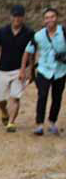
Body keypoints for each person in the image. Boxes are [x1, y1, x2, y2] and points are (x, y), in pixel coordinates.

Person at [23, 7, 66, 136]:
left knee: (57, 98)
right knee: (42, 96)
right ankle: (39, 124)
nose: (50, 20)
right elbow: (29, 51)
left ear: (57, 18)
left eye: (52, 17)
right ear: (44, 20)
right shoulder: (38, 35)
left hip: (60, 71)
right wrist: (28, 69)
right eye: (47, 18)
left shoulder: (64, 32)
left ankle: (52, 122)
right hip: (43, 70)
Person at [0, 5, 33, 132]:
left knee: (15, 97)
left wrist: (30, 70)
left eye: (19, 16)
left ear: (23, 17)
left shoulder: (29, 33)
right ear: (10, 16)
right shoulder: (2, 31)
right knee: (0, 99)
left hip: (20, 70)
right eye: (15, 16)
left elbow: (31, 53)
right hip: (3, 69)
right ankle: (4, 112)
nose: (17, 19)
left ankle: (11, 123)